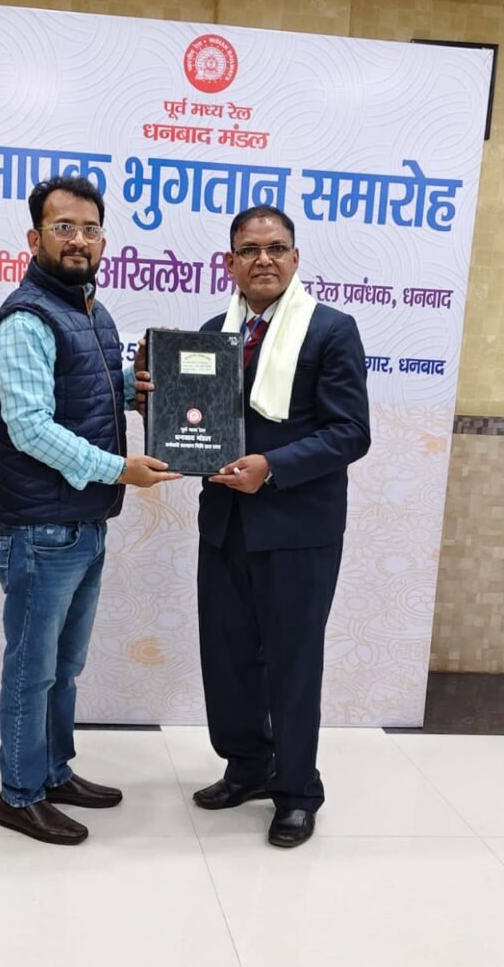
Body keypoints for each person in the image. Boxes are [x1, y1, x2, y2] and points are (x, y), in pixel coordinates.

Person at [141, 205, 371, 847]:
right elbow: (193, 422)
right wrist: (151, 399)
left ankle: (296, 791)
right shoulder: (212, 333)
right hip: (225, 523)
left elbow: (351, 432)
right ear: (231, 263)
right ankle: (247, 766)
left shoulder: (331, 330)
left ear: (295, 258)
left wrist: (272, 467)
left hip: (297, 528)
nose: (263, 259)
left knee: (292, 663)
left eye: (275, 248)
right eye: (249, 249)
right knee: (228, 656)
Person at [0, 175, 179, 845]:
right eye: (63, 226)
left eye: (90, 228)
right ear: (35, 237)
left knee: (64, 669)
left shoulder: (93, 312)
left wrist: (131, 386)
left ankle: (53, 771)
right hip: (40, 530)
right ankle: (19, 795)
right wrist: (120, 468)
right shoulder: (26, 319)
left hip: (84, 524)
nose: (79, 239)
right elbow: (30, 428)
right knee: (31, 671)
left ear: (103, 240)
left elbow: (79, 394)